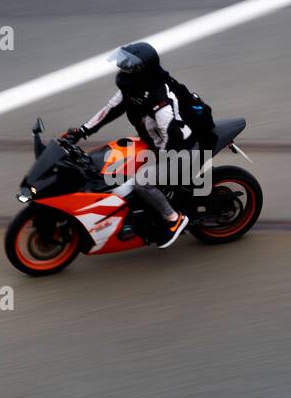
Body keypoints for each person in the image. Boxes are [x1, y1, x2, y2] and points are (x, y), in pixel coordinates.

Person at [62, 41, 211, 248]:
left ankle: (173, 219)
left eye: (128, 66)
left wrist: (158, 160)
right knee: (113, 158)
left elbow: (172, 133)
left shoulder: (161, 96)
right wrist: (81, 131)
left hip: (181, 150)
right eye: (123, 63)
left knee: (142, 182)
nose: (123, 68)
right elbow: (110, 109)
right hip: (158, 144)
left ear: (142, 70)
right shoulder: (134, 88)